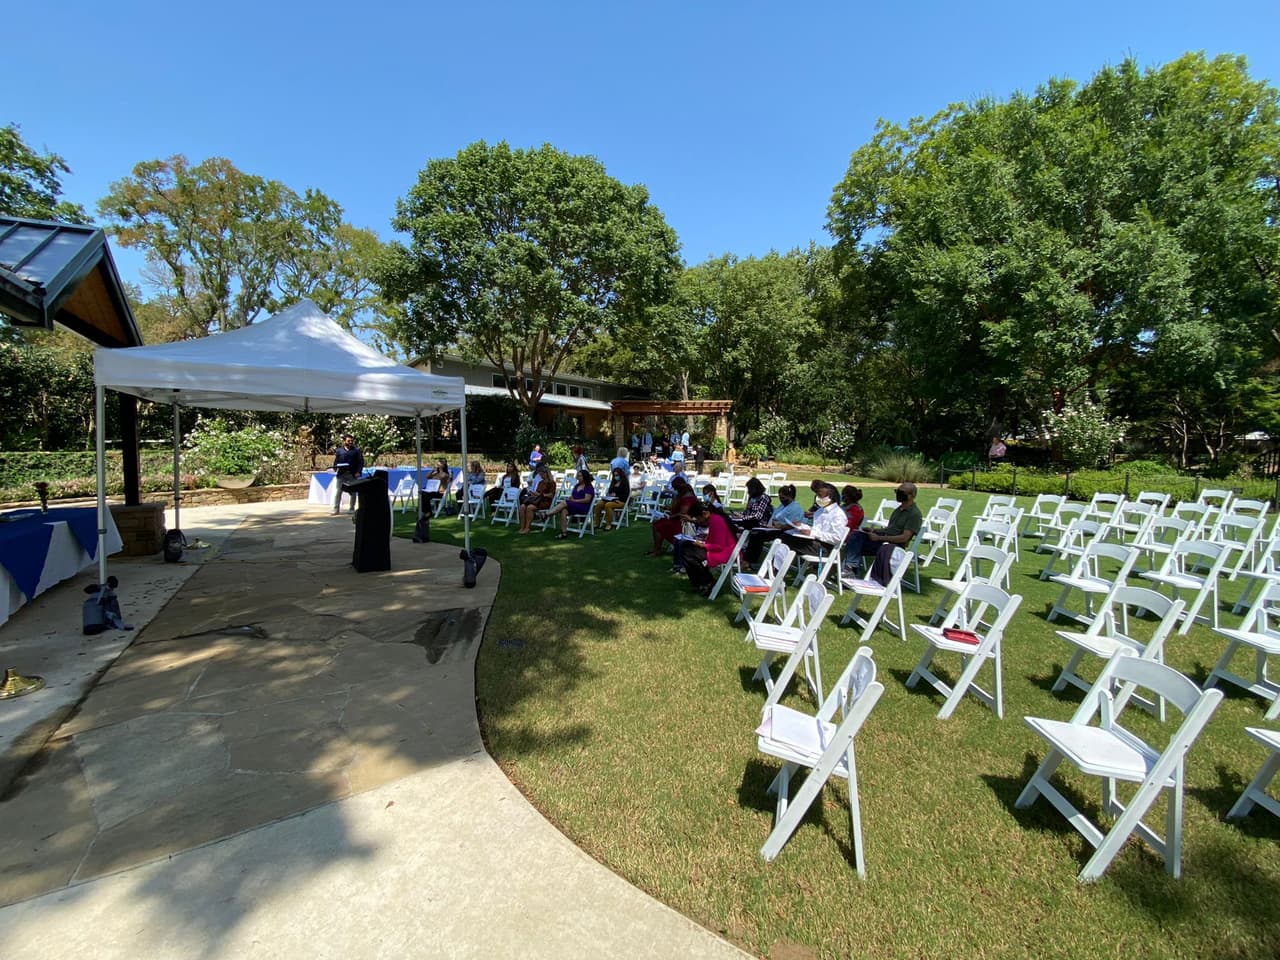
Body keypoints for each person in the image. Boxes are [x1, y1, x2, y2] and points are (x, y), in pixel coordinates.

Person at [844, 481, 923, 575]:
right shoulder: (899, 510)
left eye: (901, 492)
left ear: (911, 495)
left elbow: (904, 538)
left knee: (854, 542)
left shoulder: (914, 514)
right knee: (857, 535)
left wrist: (879, 538)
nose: (897, 494)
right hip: (884, 540)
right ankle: (849, 568)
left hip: (893, 547)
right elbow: (890, 529)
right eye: (897, 491)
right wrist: (875, 530)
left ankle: (850, 569)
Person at [673, 502, 736, 596]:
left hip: (724, 552)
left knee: (688, 552)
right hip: (718, 549)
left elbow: (719, 546)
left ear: (705, 514)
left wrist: (702, 545)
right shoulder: (714, 519)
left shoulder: (717, 521)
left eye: (698, 518)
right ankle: (700, 581)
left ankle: (706, 581)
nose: (698, 520)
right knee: (685, 547)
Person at [741, 483, 804, 565]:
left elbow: (793, 525)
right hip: (773, 529)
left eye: (783, 498)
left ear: (790, 497)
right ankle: (748, 560)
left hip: (784, 532)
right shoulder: (782, 506)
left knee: (757, 536)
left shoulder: (796, 508)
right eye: (780, 497)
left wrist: (780, 526)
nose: (781, 500)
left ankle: (749, 561)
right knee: (755, 533)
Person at [783, 482, 849, 556]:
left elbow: (836, 538)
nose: (817, 498)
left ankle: (776, 565)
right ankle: (776, 564)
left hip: (823, 548)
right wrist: (801, 526)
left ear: (830, 497)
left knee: (787, 539)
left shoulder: (838, 514)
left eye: (820, 495)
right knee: (785, 535)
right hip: (814, 541)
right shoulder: (820, 511)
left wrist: (812, 533)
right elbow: (816, 529)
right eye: (817, 495)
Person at [647, 476, 698, 556]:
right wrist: (668, 508)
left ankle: (657, 550)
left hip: (683, 522)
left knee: (659, 525)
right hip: (677, 519)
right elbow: (676, 508)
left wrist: (671, 516)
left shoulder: (688, 497)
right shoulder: (681, 495)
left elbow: (682, 513)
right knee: (657, 523)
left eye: (675, 488)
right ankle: (656, 548)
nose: (674, 490)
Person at [547, 469, 596, 539]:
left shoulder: (589, 487)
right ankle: (564, 533)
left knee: (564, 503)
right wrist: (571, 498)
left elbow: (587, 500)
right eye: (578, 476)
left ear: (584, 477)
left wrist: (575, 501)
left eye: (580, 476)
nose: (578, 478)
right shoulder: (577, 486)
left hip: (583, 507)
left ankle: (547, 514)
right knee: (563, 510)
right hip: (574, 505)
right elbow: (573, 496)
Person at [517, 464, 556, 533]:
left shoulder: (552, 483)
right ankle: (522, 527)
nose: (541, 475)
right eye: (540, 473)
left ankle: (527, 528)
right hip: (537, 500)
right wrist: (532, 493)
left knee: (529, 507)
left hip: (545, 501)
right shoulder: (541, 482)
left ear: (547, 473)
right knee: (522, 506)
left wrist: (541, 495)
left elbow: (551, 495)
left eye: (542, 473)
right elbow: (537, 492)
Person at [331, 433, 364, 515]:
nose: (350, 442)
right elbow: (336, 461)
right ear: (344, 441)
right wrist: (335, 468)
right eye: (348, 441)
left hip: (352, 474)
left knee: (353, 492)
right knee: (338, 491)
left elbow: (360, 462)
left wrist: (358, 472)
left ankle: (352, 508)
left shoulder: (356, 451)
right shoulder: (339, 451)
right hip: (341, 474)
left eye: (351, 441)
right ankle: (336, 509)